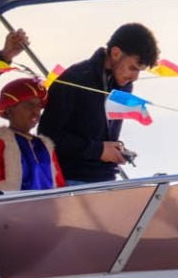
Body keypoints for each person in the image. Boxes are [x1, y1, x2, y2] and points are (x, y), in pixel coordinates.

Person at [37, 22, 159, 185]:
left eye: (139, 71)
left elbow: (101, 136)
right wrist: (98, 150)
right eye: (132, 68)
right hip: (72, 180)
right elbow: (47, 134)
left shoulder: (124, 85)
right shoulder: (75, 77)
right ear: (115, 53)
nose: (135, 77)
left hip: (106, 179)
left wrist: (114, 151)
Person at [0, 78, 66, 193]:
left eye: (39, 106)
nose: (35, 111)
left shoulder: (45, 147)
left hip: (47, 209)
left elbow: (60, 189)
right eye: (29, 105)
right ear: (9, 110)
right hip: (11, 210)